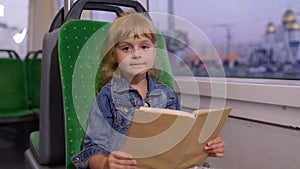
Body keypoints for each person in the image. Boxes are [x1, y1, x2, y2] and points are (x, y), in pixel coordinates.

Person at [72, 12, 225, 169]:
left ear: (154, 50)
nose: (137, 55)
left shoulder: (168, 95)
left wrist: (205, 147)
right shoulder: (107, 96)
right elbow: (91, 150)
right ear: (113, 55)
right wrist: (105, 164)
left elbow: (181, 144)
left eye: (144, 47)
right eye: (126, 48)